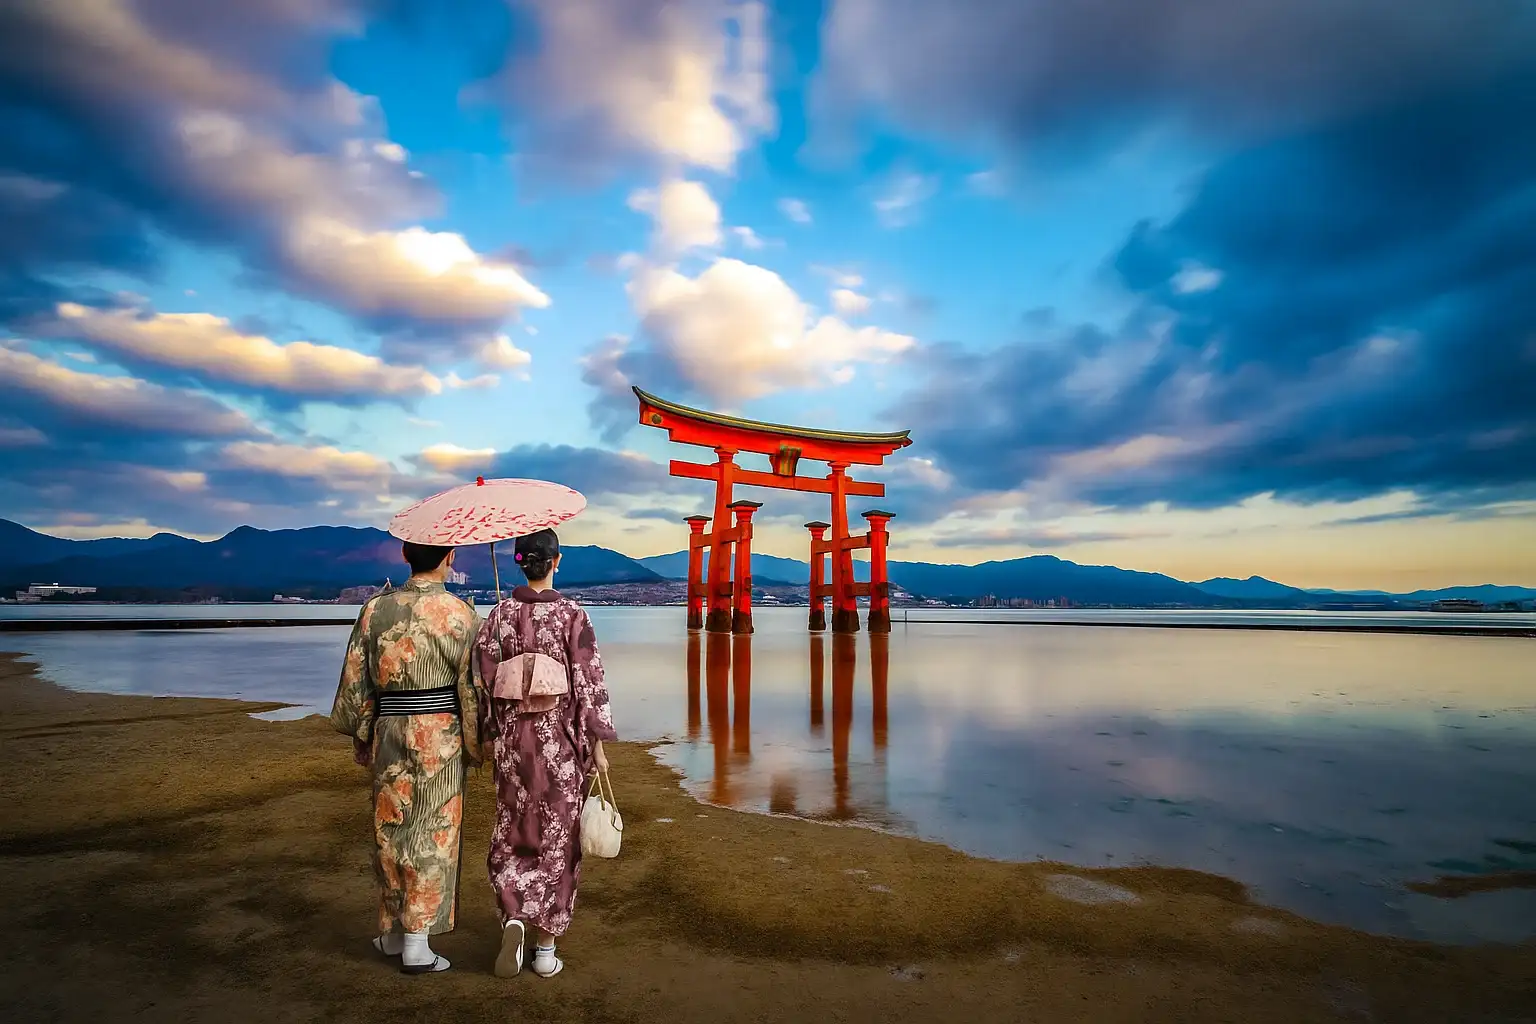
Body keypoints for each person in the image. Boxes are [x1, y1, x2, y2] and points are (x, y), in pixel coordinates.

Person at [330, 541, 480, 974]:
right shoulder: (461, 615)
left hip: (390, 729)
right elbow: (471, 690)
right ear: (450, 558)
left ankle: (394, 932)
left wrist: (363, 732)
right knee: (434, 830)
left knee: (390, 826)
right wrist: (479, 740)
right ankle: (417, 941)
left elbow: (356, 678)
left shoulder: (376, 610)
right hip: (441, 735)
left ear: (404, 556)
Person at [473, 528, 617, 979]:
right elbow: (588, 682)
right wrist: (596, 741)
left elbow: (483, 681)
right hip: (558, 743)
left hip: (515, 742)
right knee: (558, 836)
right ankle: (545, 947)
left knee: (514, 827)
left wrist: (488, 732)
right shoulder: (572, 615)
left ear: (519, 563)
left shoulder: (499, 615)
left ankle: (514, 913)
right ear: (557, 561)